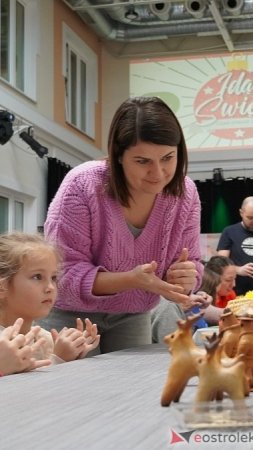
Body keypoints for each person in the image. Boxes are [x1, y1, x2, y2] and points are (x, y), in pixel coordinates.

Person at [41, 97, 203, 354]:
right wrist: (133, 280)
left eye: (168, 158)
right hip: (70, 315)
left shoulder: (186, 193)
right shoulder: (82, 185)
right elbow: (63, 274)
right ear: (118, 155)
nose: (158, 172)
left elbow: (192, 263)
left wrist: (184, 277)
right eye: (142, 161)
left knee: (130, 391)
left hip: (133, 313)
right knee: (71, 390)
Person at [0, 232, 100, 367]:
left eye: (53, 278)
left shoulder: (45, 339)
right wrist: (58, 359)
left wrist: (73, 356)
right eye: (37, 277)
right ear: (2, 287)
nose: (50, 287)